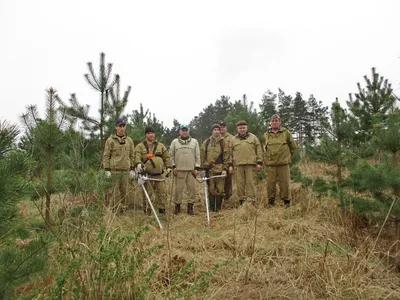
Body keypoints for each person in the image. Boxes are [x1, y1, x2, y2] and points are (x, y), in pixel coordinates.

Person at [134, 126, 173, 215]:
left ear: (154, 134)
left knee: (162, 193)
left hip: (159, 174)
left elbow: (166, 157)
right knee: (148, 194)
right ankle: (147, 211)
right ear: (145, 135)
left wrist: (169, 167)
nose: (151, 135)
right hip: (147, 175)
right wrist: (138, 164)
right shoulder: (140, 146)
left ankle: (162, 211)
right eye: (148, 133)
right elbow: (136, 157)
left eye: (152, 133)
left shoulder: (161, 145)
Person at [263, 114, 297, 208]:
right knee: (270, 185)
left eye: (276, 120)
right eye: (273, 120)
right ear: (270, 123)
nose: (274, 122)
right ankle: (271, 203)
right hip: (271, 164)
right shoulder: (266, 135)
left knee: (285, 184)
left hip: (283, 164)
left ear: (279, 122)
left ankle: (286, 202)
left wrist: (288, 156)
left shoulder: (286, 133)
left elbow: (293, 146)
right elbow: (264, 149)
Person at [102, 118, 136, 212]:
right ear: (116, 127)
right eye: (119, 126)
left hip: (126, 171)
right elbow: (106, 155)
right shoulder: (110, 140)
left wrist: (132, 168)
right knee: (114, 192)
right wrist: (107, 169)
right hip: (114, 171)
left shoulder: (129, 141)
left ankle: (124, 209)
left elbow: (132, 155)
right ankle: (113, 210)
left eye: (123, 126)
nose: (122, 128)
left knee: (125, 192)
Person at [169, 124, 201, 215]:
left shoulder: (194, 142)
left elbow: (198, 156)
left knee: (192, 190)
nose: (184, 132)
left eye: (186, 130)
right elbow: (170, 156)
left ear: (188, 131)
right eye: (183, 130)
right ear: (180, 131)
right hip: (179, 171)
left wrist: (197, 168)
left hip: (191, 171)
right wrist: (173, 166)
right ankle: (177, 206)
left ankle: (190, 207)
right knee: (178, 190)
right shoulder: (174, 142)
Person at [231, 120, 263, 206]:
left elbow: (259, 150)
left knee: (250, 183)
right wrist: (230, 165)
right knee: (240, 184)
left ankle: (251, 202)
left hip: (250, 165)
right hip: (238, 165)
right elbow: (230, 153)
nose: (242, 129)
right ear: (237, 129)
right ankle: (241, 201)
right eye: (240, 128)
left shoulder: (253, 138)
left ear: (246, 128)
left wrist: (260, 162)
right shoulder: (233, 139)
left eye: (243, 127)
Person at [200, 124, 231, 212]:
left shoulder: (223, 142)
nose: (216, 131)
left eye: (218, 129)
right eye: (215, 130)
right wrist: (202, 169)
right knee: (211, 189)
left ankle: (218, 208)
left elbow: (226, 157)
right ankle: (211, 208)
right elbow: (202, 156)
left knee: (220, 189)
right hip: (209, 170)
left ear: (220, 131)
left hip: (220, 170)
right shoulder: (206, 142)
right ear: (212, 131)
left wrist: (225, 169)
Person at [219, 121, 234, 201]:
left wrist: (231, 165)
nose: (222, 129)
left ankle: (227, 198)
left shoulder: (231, 138)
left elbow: (233, 151)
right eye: (220, 127)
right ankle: (219, 197)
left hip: (228, 162)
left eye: (223, 127)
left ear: (226, 128)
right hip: (218, 163)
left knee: (228, 181)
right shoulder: (216, 137)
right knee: (219, 181)